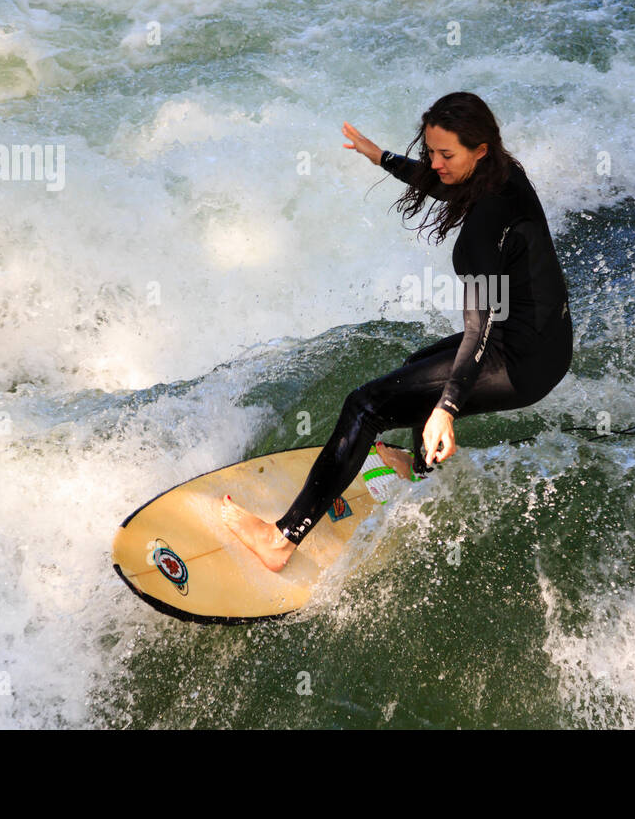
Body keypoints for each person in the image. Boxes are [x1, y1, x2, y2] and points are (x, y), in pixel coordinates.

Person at [222, 92, 573, 571]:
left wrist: (447, 408)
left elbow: (480, 326)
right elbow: (446, 185)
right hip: (547, 341)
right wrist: (379, 156)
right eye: (430, 151)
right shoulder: (503, 174)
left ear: (480, 149)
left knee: (364, 406)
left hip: (520, 359)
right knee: (415, 369)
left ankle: (281, 541)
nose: (435, 163)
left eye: (446, 154)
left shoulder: (482, 233)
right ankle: (419, 469)